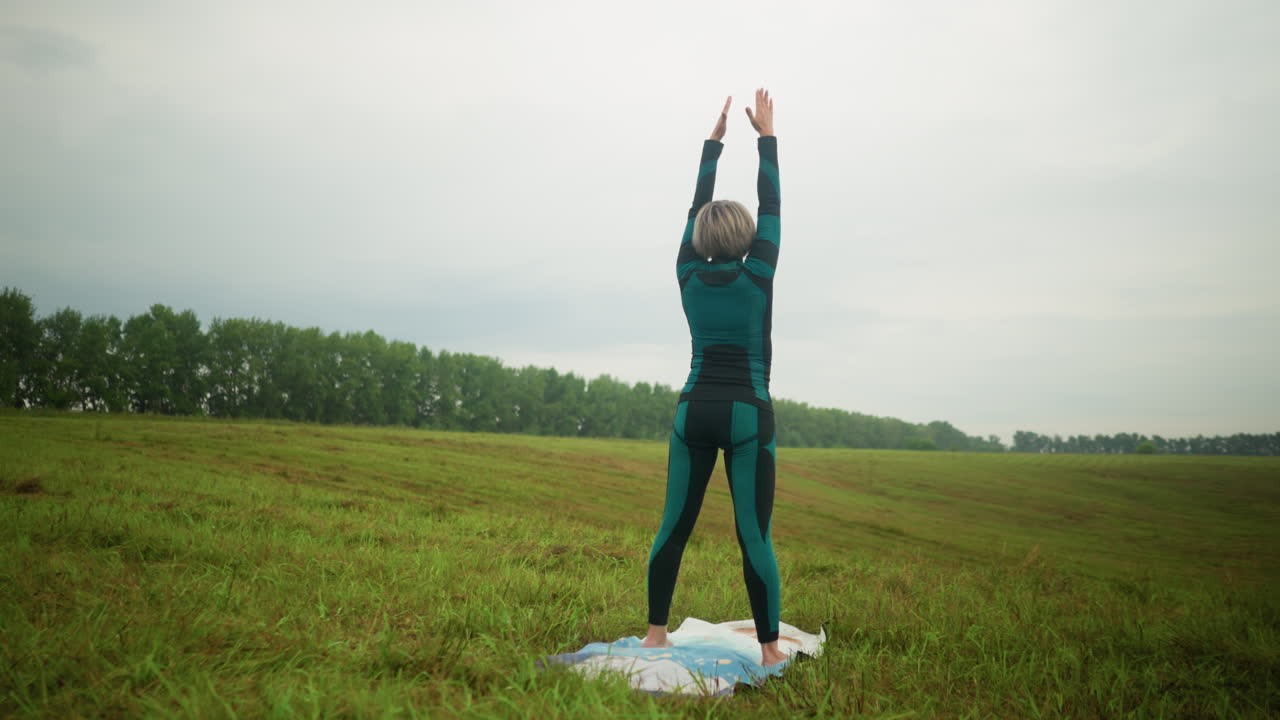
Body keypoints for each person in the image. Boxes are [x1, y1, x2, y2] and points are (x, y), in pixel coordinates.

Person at [642, 89, 786, 667]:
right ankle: (770, 648)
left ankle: (655, 634)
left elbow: (692, 209)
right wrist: (767, 137)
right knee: (754, 536)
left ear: (699, 237)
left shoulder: (686, 274)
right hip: (749, 411)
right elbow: (772, 204)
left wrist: (713, 145)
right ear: (750, 241)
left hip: (693, 409)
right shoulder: (760, 274)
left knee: (673, 525)